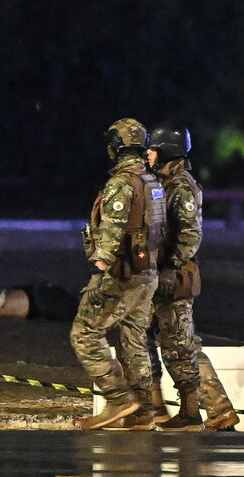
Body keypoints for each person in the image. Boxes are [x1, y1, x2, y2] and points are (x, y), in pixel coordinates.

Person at [69, 118, 166, 431]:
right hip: (147, 271)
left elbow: (112, 230)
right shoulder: (152, 180)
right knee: (133, 340)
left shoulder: (122, 183)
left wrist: (99, 269)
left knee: (84, 332)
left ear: (115, 147)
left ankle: (118, 399)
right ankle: (142, 411)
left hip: (122, 272)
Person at [147, 123, 240, 432]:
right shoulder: (162, 182)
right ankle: (159, 409)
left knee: (182, 346)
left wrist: (171, 268)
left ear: (167, 152)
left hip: (172, 277)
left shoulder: (181, 186)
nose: (147, 154)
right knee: (154, 340)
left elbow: (190, 236)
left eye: (153, 150)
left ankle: (218, 411)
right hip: (157, 274)